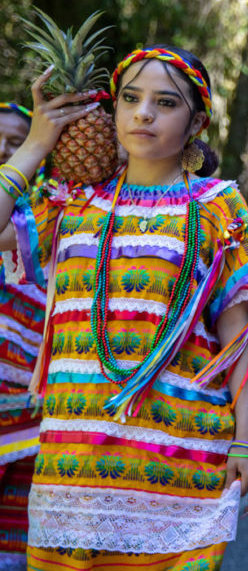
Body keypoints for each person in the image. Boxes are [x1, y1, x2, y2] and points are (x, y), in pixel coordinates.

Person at [0, 46, 248, 570]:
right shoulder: (70, 201)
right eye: (130, 98)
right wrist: (37, 143)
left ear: (195, 121)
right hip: (72, 465)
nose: (143, 113)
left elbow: (239, 334)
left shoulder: (217, 205)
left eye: (164, 102)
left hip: (182, 458)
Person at [0, 101, 43, 570]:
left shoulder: (45, 215)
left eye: (17, 142)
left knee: (14, 545)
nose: (3, 150)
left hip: (29, 410)